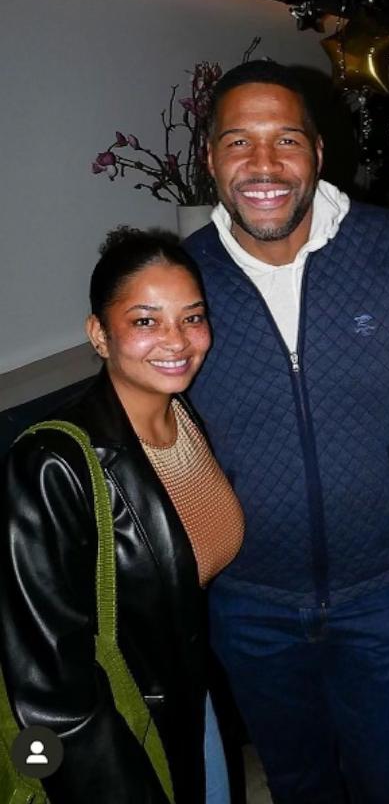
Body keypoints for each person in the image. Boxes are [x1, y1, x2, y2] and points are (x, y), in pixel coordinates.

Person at [184, 59, 389, 804]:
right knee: (296, 783)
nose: (264, 165)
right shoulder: (182, 278)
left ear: (318, 155)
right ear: (209, 160)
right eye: (238, 142)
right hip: (249, 600)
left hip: (381, 589)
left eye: (286, 140)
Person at [0, 228, 244, 803]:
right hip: (119, 733)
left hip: (189, 696)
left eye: (192, 317)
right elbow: (49, 690)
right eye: (145, 321)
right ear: (98, 334)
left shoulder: (184, 418)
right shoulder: (51, 466)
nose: (177, 340)